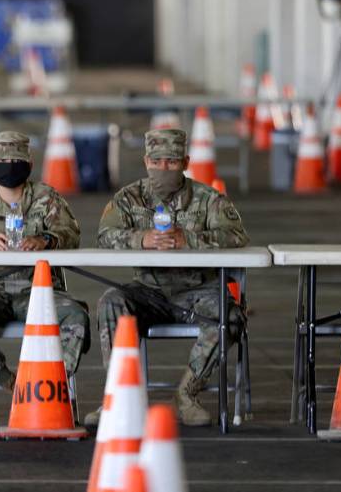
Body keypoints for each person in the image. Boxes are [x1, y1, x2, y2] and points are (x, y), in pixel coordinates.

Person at [91, 128, 249, 426]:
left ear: (186, 161)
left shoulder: (207, 199)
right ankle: (119, 397)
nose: (164, 168)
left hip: (199, 290)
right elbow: (104, 236)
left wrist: (188, 239)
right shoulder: (128, 198)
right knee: (111, 302)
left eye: (172, 162)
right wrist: (141, 239)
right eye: (158, 161)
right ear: (146, 161)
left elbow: (236, 236)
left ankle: (186, 395)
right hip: (148, 290)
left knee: (229, 315)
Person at [0, 131, 89, 392]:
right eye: (3, 162)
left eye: (17, 161)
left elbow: (70, 234)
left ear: (30, 166)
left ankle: (55, 384)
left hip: (37, 288)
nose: (10, 168)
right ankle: (14, 384)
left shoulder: (46, 198)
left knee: (76, 317)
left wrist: (45, 239)